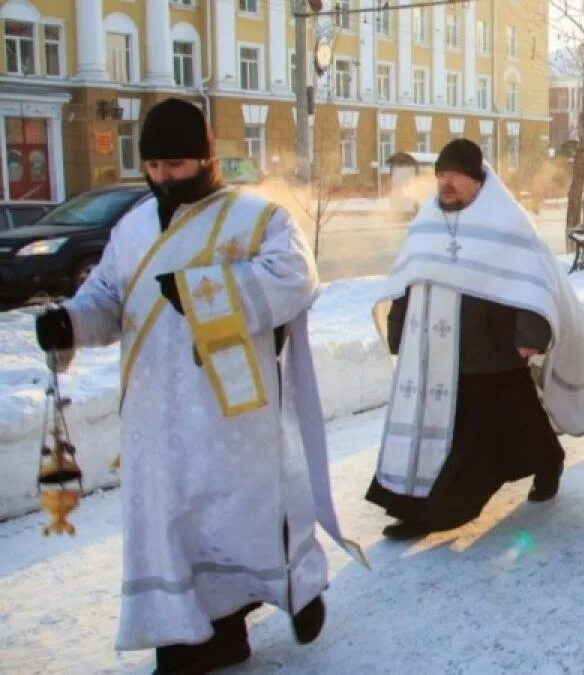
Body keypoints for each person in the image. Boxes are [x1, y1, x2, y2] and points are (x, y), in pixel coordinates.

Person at [33, 98, 363, 674]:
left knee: (240, 517)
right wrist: (69, 321)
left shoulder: (256, 218)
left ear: (207, 158)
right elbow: (108, 300)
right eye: (154, 167)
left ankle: (293, 588)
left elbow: (295, 279)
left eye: (176, 165)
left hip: (230, 411)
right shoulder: (132, 226)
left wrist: (203, 292)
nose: (163, 178)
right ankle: (190, 638)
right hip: (155, 412)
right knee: (173, 527)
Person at [366, 139, 584, 540]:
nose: (445, 183)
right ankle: (418, 505)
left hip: (491, 352)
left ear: (477, 180)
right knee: (499, 424)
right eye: (440, 175)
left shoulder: (506, 222)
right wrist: (399, 329)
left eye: (454, 175)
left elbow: (534, 282)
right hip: (437, 355)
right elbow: (408, 280)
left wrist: (531, 334)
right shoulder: (427, 224)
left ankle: (440, 511)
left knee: (484, 435)